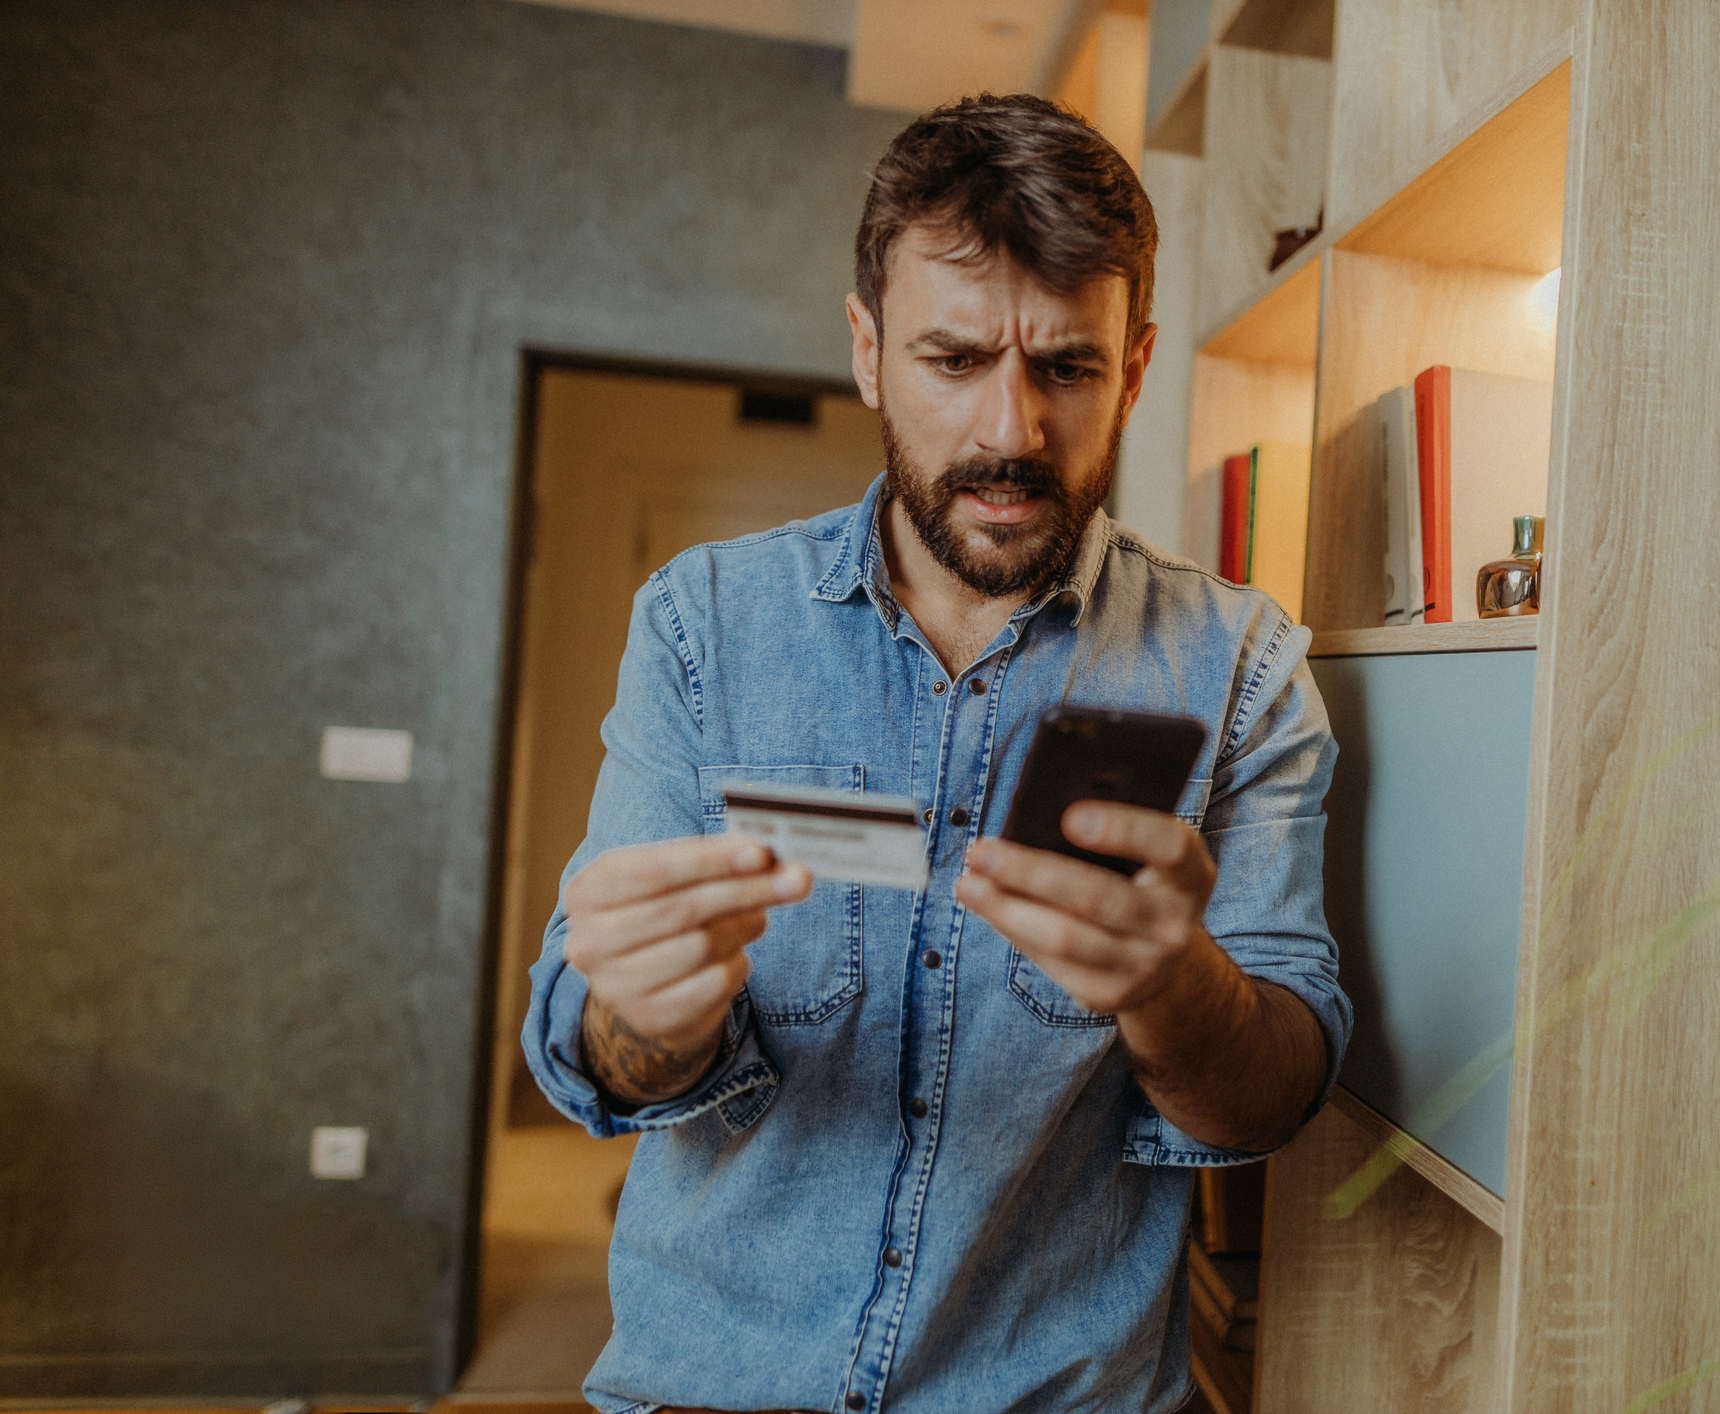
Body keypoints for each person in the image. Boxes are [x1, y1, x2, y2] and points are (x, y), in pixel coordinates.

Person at [523, 93, 1347, 1414]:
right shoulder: (699, 624)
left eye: (1065, 369)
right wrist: (643, 1018)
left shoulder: (1243, 669)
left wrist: (1175, 987)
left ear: (1132, 369)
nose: (1008, 431)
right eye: (952, 360)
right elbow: (589, 1053)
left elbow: (1271, 1098)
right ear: (866, 348)